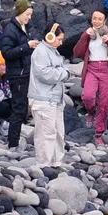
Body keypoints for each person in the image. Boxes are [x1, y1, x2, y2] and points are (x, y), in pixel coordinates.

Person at [73, 8, 108, 143]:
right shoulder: (88, 32)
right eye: (94, 18)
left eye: (99, 19)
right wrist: (85, 36)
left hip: (106, 70)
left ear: (105, 21)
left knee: (104, 103)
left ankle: (99, 134)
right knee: (88, 96)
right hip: (91, 68)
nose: (96, 21)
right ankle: (90, 111)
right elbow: (77, 53)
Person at [0, 0, 38, 152]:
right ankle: (13, 143)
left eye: (31, 14)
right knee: (19, 108)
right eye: (27, 14)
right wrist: (26, 46)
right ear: (19, 13)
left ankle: (18, 139)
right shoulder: (10, 30)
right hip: (17, 75)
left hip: (27, 72)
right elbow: (6, 53)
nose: (29, 17)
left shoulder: (26, 27)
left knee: (25, 107)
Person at [29, 24, 70, 166]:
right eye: (59, 39)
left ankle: (56, 163)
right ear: (50, 36)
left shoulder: (52, 51)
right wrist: (64, 74)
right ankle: (44, 165)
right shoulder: (41, 52)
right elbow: (44, 74)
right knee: (46, 135)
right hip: (43, 100)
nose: (61, 42)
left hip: (54, 99)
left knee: (58, 133)